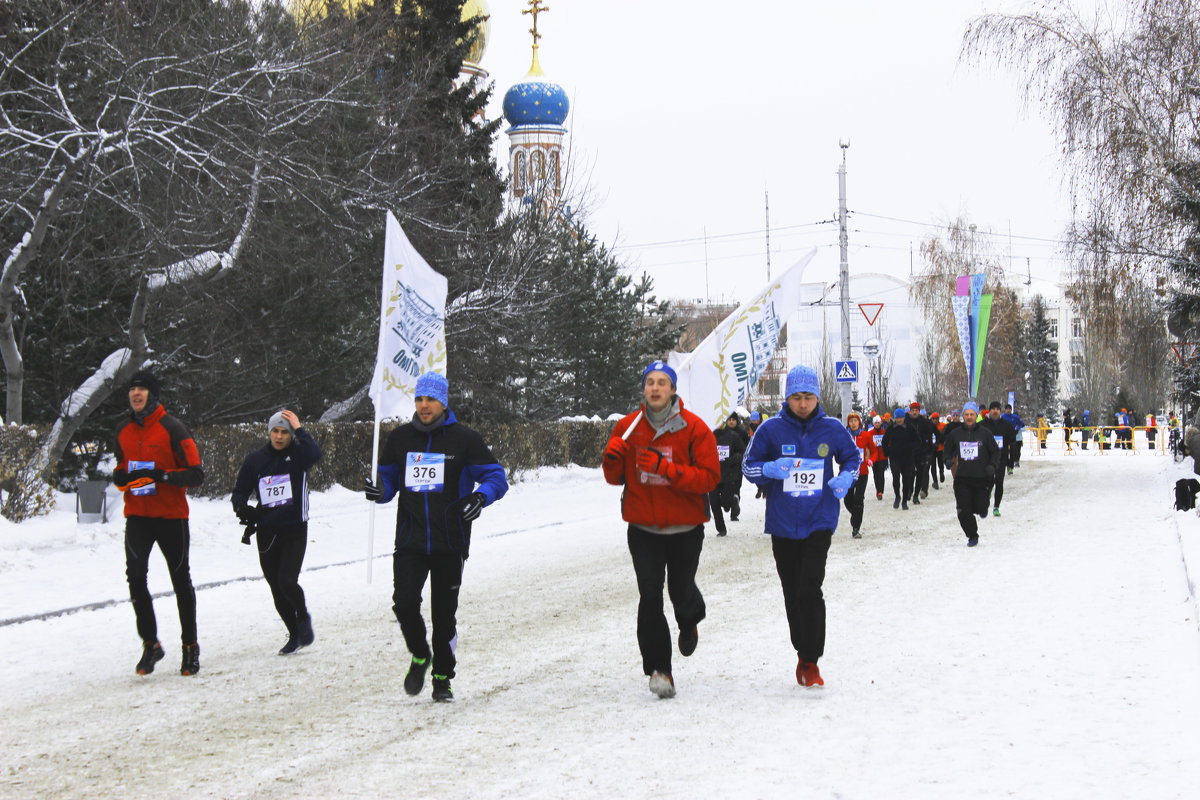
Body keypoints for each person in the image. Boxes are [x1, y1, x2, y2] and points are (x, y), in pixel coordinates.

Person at [364, 372, 509, 702]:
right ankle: (419, 654)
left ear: (444, 403)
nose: (424, 405)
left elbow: (496, 477)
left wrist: (480, 496)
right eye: (419, 399)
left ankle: (442, 677)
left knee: (444, 616)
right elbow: (388, 482)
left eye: (430, 399)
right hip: (410, 540)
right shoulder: (400, 440)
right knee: (404, 604)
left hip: (450, 541)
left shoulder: (464, 440)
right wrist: (379, 490)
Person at [602, 360, 720, 699]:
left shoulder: (694, 428)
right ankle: (659, 670)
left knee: (680, 591)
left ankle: (690, 618)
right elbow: (614, 478)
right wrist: (610, 459)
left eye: (662, 382)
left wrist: (667, 469)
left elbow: (709, 478)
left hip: (685, 528)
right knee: (650, 596)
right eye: (650, 382)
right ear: (643, 389)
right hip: (643, 528)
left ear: (672, 390)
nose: (655, 388)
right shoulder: (627, 427)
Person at [742, 365, 860, 688]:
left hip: (819, 519)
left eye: (808, 397)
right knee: (792, 592)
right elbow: (747, 466)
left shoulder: (833, 429)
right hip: (782, 524)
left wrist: (846, 477)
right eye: (797, 397)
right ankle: (802, 652)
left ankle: (811, 659)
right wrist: (768, 468)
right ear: (788, 398)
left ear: (817, 397)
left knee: (810, 588)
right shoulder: (771, 430)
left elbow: (854, 457)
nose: (803, 404)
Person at [113, 371, 205, 676]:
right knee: (136, 578)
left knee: (181, 581)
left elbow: (196, 474)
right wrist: (120, 477)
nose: (135, 393)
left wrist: (162, 475)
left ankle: (190, 647)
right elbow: (120, 468)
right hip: (137, 516)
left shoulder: (173, 429)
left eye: (142, 389)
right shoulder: (123, 431)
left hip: (170, 517)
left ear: (153, 395)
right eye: (132, 389)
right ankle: (151, 644)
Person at [231, 409, 322, 655]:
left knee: (287, 581)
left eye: (285, 432)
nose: (280, 436)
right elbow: (239, 491)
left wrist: (300, 428)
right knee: (276, 587)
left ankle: (302, 616)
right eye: (275, 431)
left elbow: (316, 453)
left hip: (294, 528)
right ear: (269, 432)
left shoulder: (299, 455)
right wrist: (241, 508)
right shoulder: (255, 459)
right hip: (267, 531)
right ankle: (294, 634)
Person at [943, 401, 1000, 547]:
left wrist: (992, 466)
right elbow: (947, 451)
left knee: (980, 507)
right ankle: (972, 535)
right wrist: (948, 461)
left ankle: (983, 506)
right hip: (962, 477)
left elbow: (995, 452)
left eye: (972, 414)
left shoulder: (985, 433)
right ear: (963, 416)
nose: (969, 417)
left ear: (976, 416)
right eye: (966, 414)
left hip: (981, 478)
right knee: (963, 510)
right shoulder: (955, 434)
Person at [711, 413, 747, 535]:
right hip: (713, 475)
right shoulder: (709, 435)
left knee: (726, 504)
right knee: (714, 503)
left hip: (729, 475)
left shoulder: (733, 436)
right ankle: (721, 529)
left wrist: (733, 459)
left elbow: (743, 452)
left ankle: (733, 501)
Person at [979, 402, 1016, 516]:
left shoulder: (1006, 425)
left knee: (999, 481)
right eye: (993, 409)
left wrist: (1011, 459)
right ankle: (988, 492)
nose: (995, 411)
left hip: (1001, 457)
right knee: (989, 480)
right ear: (989, 411)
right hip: (987, 458)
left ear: (1000, 411)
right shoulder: (982, 424)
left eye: (997, 409)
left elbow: (1013, 441)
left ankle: (996, 507)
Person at [844, 411, 876, 538]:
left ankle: (856, 528)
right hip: (848, 472)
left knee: (859, 499)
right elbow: (839, 452)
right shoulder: (845, 436)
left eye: (855, 421)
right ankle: (856, 515)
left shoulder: (866, 435)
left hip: (863, 472)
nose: (853, 423)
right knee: (847, 499)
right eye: (851, 421)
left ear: (859, 422)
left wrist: (871, 460)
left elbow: (873, 451)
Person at [881, 406, 920, 510]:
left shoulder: (910, 428)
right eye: (897, 418)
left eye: (901, 418)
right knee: (896, 478)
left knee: (906, 479)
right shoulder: (890, 428)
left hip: (907, 458)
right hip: (894, 457)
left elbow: (918, 441)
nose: (899, 420)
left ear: (904, 418)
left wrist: (912, 448)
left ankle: (904, 501)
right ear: (894, 418)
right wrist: (886, 451)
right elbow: (884, 441)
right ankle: (897, 496)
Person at [906, 403, 936, 499]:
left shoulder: (925, 422)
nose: (914, 412)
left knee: (923, 471)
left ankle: (923, 490)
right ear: (910, 411)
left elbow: (930, 435)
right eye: (913, 410)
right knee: (910, 472)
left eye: (916, 410)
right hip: (910, 451)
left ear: (919, 411)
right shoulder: (906, 421)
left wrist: (929, 447)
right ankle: (910, 489)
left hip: (923, 451)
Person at [868, 415, 889, 500]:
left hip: (883, 457)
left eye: (878, 423)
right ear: (873, 424)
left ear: (880, 423)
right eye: (875, 423)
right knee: (875, 475)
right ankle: (878, 490)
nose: (877, 424)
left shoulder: (884, 432)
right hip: (874, 457)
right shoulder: (870, 433)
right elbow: (867, 445)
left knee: (881, 474)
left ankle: (880, 491)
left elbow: (888, 443)